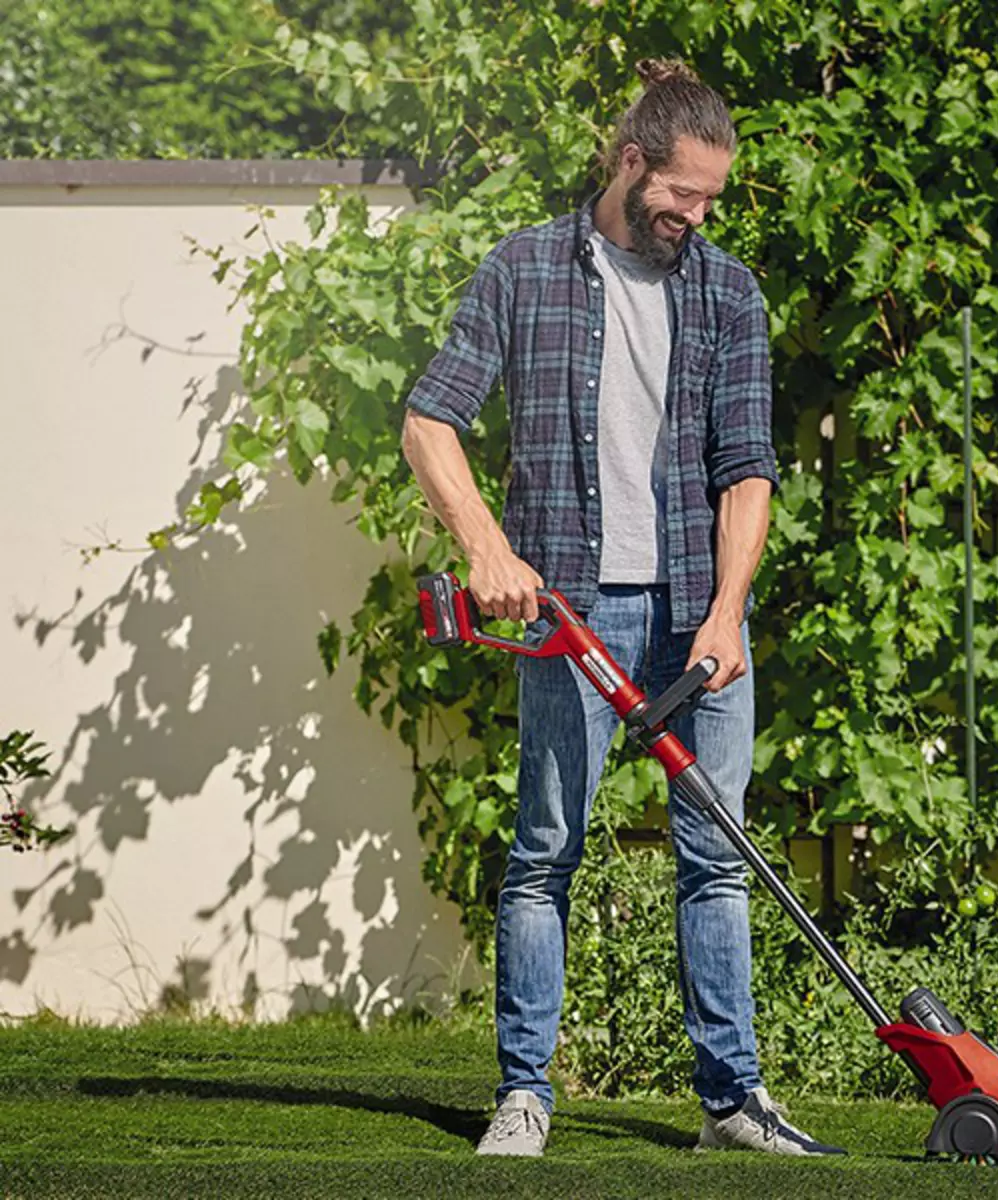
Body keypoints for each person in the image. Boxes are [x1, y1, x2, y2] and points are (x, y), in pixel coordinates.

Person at [400, 58, 843, 1159]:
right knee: (546, 850)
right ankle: (524, 1096)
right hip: (572, 615)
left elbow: (748, 469)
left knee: (716, 857)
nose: (694, 217)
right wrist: (486, 547)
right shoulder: (525, 270)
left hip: (696, 619)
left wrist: (727, 612)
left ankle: (731, 1102)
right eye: (681, 194)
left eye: (711, 202)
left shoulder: (729, 292)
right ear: (630, 161)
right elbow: (428, 420)